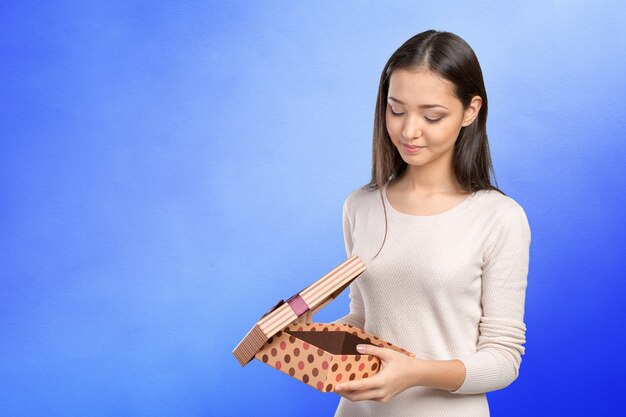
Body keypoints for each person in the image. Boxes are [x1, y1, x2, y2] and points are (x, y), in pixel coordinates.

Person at [326, 30, 530, 416]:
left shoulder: (499, 218)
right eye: (396, 110)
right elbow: (366, 318)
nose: (408, 131)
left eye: (432, 116)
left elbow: (503, 359)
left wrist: (415, 373)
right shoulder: (361, 206)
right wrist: (303, 336)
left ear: (471, 111)